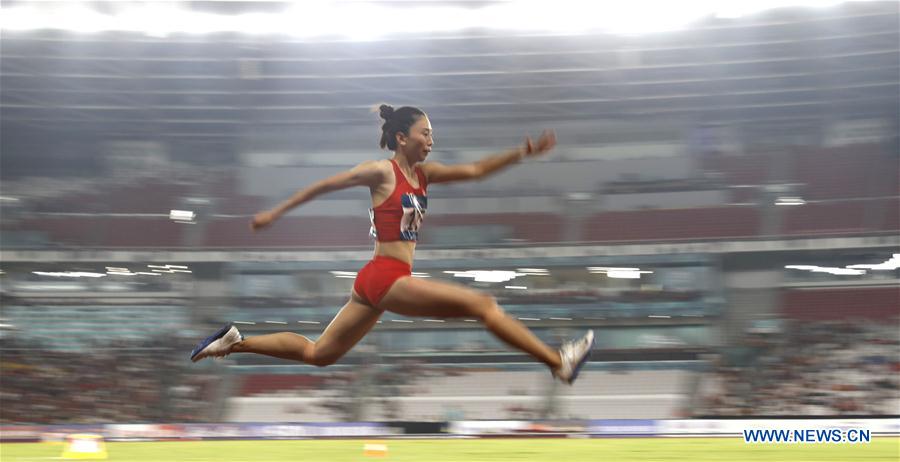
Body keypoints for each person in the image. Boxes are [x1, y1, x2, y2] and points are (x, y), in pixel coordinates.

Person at [191, 105, 594, 384]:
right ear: (402, 138)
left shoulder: (425, 174)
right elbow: (325, 184)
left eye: (433, 134)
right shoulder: (380, 172)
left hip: (378, 281)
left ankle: (234, 342)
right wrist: (275, 213)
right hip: (385, 276)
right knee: (483, 306)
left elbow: (473, 170)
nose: (431, 140)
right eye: (425, 133)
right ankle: (558, 362)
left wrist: (520, 153)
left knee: (320, 355)